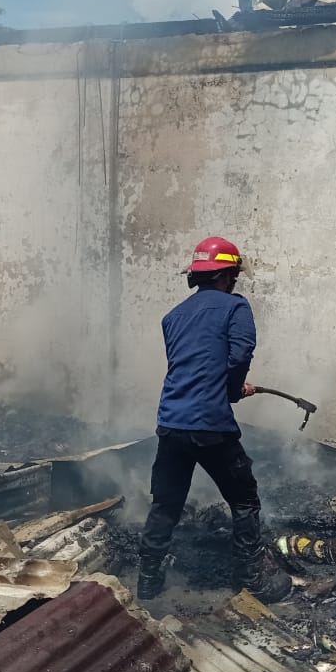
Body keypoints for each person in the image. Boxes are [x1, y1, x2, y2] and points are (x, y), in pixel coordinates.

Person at [137, 236, 292, 604]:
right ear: (227, 276)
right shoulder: (235, 308)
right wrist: (234, 389)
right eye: (234, 276)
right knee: (244, 499)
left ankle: (147, 580)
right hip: (210, 424)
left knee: (166, 503)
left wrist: (226, 386)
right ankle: (252, 579)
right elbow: (238, 356)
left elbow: (192, 366)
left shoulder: (172, 316)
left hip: (172, 423)